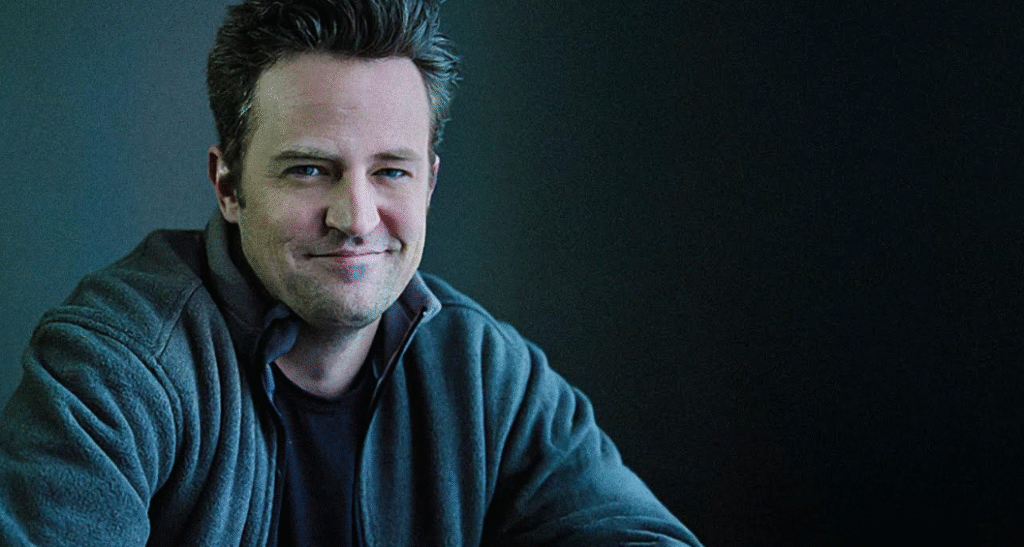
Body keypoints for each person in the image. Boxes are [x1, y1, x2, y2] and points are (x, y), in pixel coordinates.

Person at [0, 0, 703, 545]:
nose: (357, 217)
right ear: (228, 186)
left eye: (391, 171)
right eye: (310, 169)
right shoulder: (116, 366)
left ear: (429, 184)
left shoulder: (485, 375)